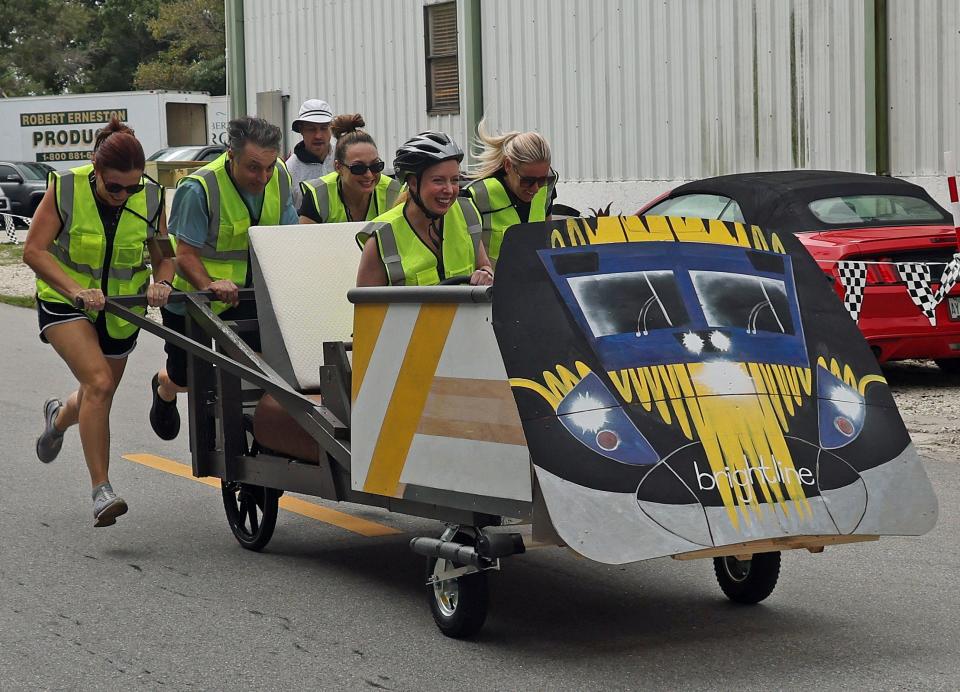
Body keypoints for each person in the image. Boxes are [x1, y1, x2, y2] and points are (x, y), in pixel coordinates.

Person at [24, 117, 173, 527]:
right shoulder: (66, 188)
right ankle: (101, 491)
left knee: (95, 394)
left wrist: (162, 281)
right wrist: (75, 289)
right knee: (100, 383)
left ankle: (57, 417)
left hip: (120, 311)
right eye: (115, 187)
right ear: (95, 168)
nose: (124, 195)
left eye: (133, 186)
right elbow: (34, 251)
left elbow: (165, 253)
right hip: (66, 303)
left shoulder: (153, 197)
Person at [149, 116, 297, 441]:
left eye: (269, 167)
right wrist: (210, 284)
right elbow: (184, 254)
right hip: (197, 299)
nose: (263, 177)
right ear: (231, 155)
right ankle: (164, 386)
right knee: (187, 377)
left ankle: (248, 430)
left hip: (245, 296)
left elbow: (286, 238)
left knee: (259, 367)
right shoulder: (199, 188)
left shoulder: (280, 177)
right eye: (253, 167)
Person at [356, 131, 494, 287]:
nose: (449, 189)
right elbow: (368, 309)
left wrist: (486, 274)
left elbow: (484, 266)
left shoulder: (467, 213)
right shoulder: (382, 238)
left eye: (455, 180)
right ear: (413, 183)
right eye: (438, 180)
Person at [465, 120, 556, 267]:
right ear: (508, 165)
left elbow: (549, 240)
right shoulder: (478, 195)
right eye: (527, 181)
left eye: (542, 180)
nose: (535, 189)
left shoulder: (547, 186)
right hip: (494, 287)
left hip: (535, 282)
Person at [298, 113, 401, 224]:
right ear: (338, 167)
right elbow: (305, 240)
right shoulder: (318, 195)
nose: (369, 175)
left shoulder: (394, 192)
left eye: (376, 166)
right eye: (358, 168)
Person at [285, 99, 335, 207]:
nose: (318, 135)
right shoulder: (289, 171)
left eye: (323, 128)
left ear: (331, 129)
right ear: (301, 130)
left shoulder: (343, 158)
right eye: (311, 129)